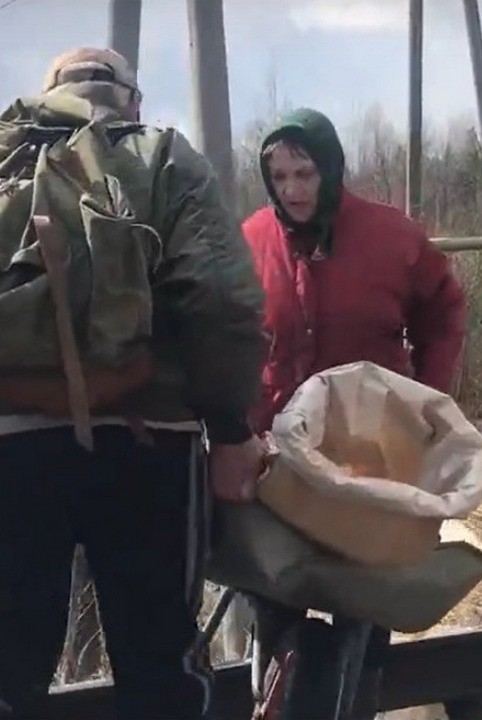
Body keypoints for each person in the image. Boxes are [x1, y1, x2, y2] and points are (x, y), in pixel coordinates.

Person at [0, 48, 268, 719]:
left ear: (48, 96)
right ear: (133, 101)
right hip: (149, 446)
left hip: (11, 448)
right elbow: (222, 300)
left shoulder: (5, 158)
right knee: (161, 665)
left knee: (5, 664)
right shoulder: (163, 157)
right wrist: (230, 428)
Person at [240, 106, 467, 718]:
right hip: (277, 457)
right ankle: (277, 691)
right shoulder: (253, 240)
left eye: (304, 174)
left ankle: (359, 697)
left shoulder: (390, 238)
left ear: (330, 169)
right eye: (280, 176)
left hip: (369, 457)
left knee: (366, 596)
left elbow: (444, 312)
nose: (292, 190)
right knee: (273, 586)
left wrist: (428, 402)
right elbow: (229, 335)